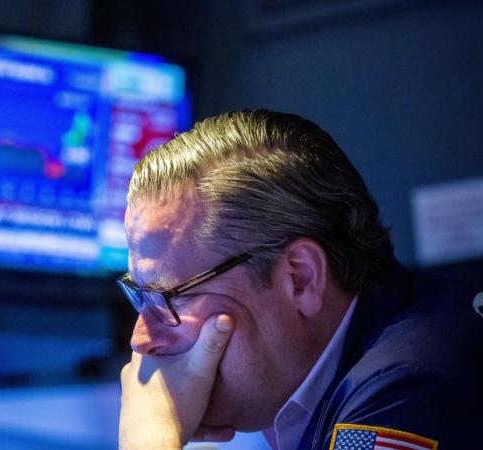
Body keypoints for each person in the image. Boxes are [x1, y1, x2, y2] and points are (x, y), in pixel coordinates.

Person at [116, 110, 483, 450]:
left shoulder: (408, 392)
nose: (141, 340)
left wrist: (149, 437)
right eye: (139, 296)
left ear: (301, 278)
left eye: (169, 297)